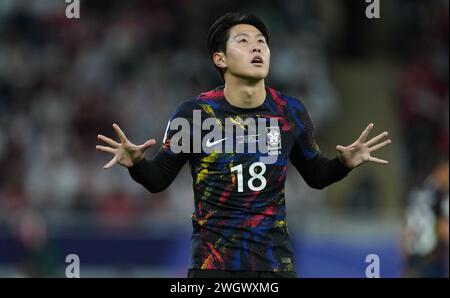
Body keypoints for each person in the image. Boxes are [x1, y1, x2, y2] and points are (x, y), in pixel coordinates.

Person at [96, 13, 391, 278]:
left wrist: (342, 164)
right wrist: (136, 164)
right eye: (243, 40)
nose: (257, 46)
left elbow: (316, 175)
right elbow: (158, 179)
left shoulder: (290, 112)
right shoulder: (194, 115)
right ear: (220, 59)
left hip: (274, 264)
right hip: (212, 267)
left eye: (262, 41)